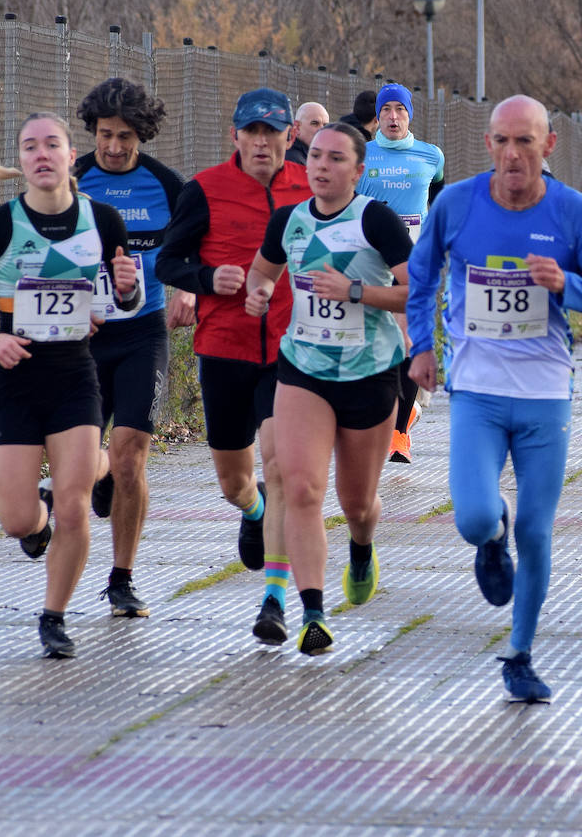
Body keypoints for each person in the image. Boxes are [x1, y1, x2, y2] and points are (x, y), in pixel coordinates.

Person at [406, 94, 582, 701]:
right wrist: (421, 348)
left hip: (545, 396)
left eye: (525, 142)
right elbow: (420, 279)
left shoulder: (572, 213)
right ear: (488, 145)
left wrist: (566, 283)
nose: (512, 155)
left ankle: (520, 653)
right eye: (502, 141)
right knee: (477, 516)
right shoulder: (455, 204)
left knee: (537, 529)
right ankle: (490, 536)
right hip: (476, 391)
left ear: (548, 146)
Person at [0, 112, 141, 658]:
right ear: (23, 161)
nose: (40, 154)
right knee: (16, 519)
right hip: (14, 378)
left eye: (50, 144)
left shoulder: (102, 220)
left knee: (75, 506)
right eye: (29, 146)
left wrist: (125, 292)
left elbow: (123, 298)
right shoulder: (0, 224)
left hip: (75, 375)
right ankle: (64, 496)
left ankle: (54, 616)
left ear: (68, 155)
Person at [243, 123, 413, 654]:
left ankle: (361, 547)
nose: (321, 166)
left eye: (336, 158)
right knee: (300, 489)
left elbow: (415, 291)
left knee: (356, 503)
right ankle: (313, 613)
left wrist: (356, 290)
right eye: (315, 155)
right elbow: (262, 273)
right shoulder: (288, 222)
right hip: (304, 370)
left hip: (370, 374)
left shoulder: (376, 220)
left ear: (358, 171)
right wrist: (261, 291)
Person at [155, 88, 311, 644]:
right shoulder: (205, 190)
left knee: (285, 466)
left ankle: (273, 600)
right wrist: (205, 280)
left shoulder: (310, 187)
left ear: (291, 136)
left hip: (293, 352)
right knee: (234, 481)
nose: (263, 142)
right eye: (253, 132)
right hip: (224, 348)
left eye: (274, 132)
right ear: (235, 137)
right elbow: (169, 260)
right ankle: (251, 509)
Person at [73, 77, 184, 618]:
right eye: (104, 135)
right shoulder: (73, 181)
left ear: (142, 136)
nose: (114, 147)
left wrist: (187, 288)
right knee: (85, 451)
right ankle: (97, 476)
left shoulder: (166, 185)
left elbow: (192, 250)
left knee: (131, 454)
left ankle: (121, 579)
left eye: (125, 137)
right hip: (83, 337)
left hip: (144, 331)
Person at [357, 83, 445, 465]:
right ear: (378, 116)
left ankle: (399, 435)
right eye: (387, 109)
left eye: (400, 110)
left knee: (409, 343)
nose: (393, 116)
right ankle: (383, 416)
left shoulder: (431, 156)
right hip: (370, 261)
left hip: (414, 264)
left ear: (410, 115)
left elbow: (437, 199)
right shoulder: (361, 154)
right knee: (376, 345)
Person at [284, 101, 329, 165]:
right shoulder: (293, 162)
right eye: (315, 123)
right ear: (297, 128)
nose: (322, 130)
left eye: (325, 125)